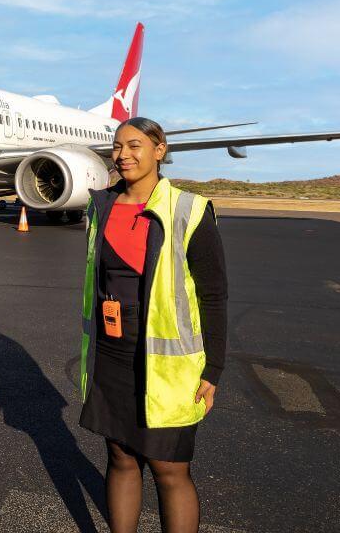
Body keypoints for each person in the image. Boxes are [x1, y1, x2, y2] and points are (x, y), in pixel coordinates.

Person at [78, 117, 227, 533]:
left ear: (160, 150)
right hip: (112, 355)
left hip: (167, 363)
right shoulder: (101, 206)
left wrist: (212, 369)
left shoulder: (188, 209)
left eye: (135, 145)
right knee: (120, 458)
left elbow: (213, 295)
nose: (123, 155)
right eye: (117, 146)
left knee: (169, 470)